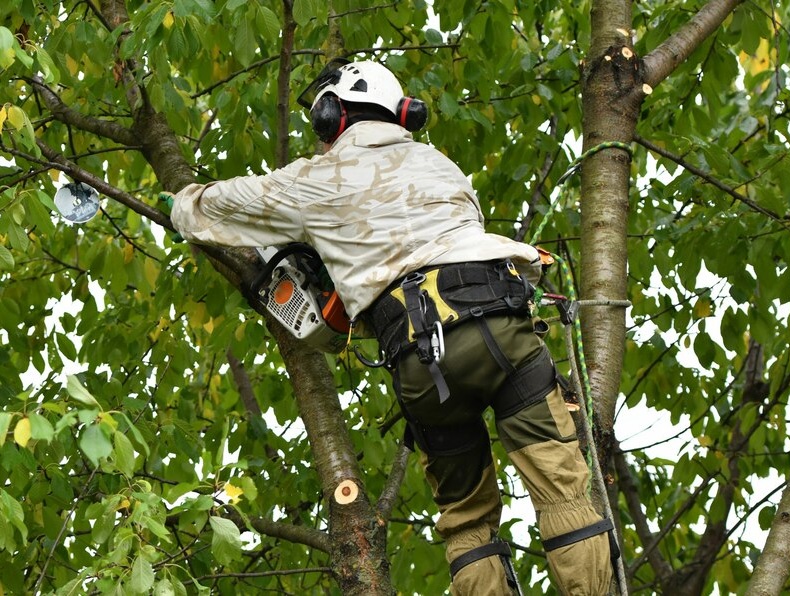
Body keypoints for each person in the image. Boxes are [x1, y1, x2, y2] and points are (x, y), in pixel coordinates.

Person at [170, 59, 614, 595]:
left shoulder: (315, 179)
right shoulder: (442, 165)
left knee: (467, 522)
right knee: (563, 493)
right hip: (500, 329)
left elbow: (210, 209)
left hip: (420, 363)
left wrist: (183, 201)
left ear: (333, 115)